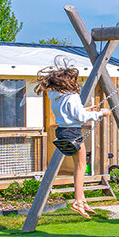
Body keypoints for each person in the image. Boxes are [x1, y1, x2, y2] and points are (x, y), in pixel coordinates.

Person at [36, 63, 111, 218]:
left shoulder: (56, 96)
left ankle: (81, 199)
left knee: (79, 165)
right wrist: (101, 113)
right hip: (73, 132)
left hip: (62, 131)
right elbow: (81, 117)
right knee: (81, 166)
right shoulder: (72, 96)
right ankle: (78, 200)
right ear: (69, 81)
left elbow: (70, 113)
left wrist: (87, 110)